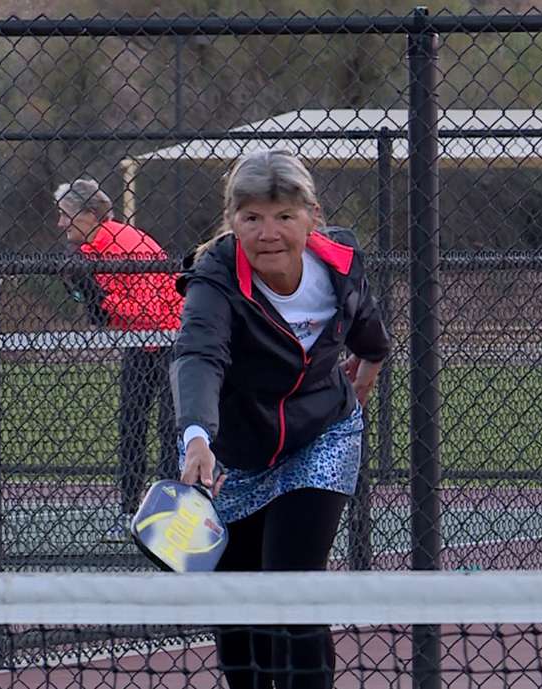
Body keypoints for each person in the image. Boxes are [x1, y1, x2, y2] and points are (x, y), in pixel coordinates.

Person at [172, 150, 391, 689]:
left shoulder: (339, 261)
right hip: (237, 451)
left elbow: (365, 323)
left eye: (284, 217)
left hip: (322, 436)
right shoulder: (214, 278)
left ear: (311, 216)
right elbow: (199, 355)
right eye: (252, 218)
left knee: (290, 591)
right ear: (232, 221)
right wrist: (197, 437)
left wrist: (371, 364)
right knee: (238, 607)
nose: (269, 232)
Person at [54, 179, 183, 542]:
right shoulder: (92, 248)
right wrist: (91, 298)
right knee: (130, 425)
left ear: (90, 215)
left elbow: (152, 312)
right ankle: (130, 512)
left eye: (66, 215)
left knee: (170, 429)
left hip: (172, 339)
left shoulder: (123, 243)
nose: (61, 224)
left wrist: (101, 301)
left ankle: (170, 517)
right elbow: (111, 313)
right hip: (142, 343)